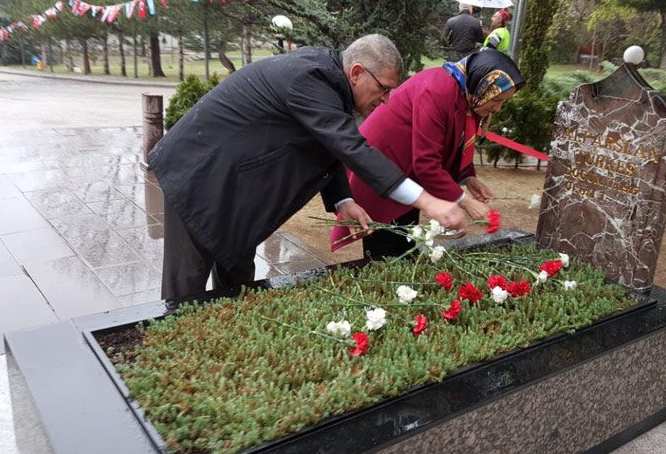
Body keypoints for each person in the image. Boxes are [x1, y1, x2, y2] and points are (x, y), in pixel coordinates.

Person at [149, 34, 468, 299]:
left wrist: (344, 201)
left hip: (236, 187)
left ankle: (227, 340)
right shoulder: (311, 78)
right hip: (198, 177)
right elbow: (352, 147)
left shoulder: (330, 84)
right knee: (185, 288)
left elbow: (327, 144)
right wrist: (428, 201)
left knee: (238, 276)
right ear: (357, 72)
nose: (385, 99)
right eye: (383, 88)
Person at [331, 50, 524, 259]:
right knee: (387, 249)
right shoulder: (437, 90)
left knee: (404, 241)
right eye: (497, 99)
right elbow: (426, 163)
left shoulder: (464, 92)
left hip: (405, 174)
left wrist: (467, 177)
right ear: (483, 87)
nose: (498, 108)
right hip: (383, 171)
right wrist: (464, 201)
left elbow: (454, 140)